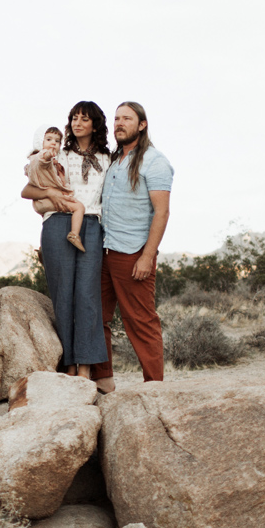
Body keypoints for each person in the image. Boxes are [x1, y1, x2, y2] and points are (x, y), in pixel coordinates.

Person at [21, 102, 112, 380]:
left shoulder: (108, 158)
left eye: (84, 119)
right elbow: (27, 189)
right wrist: (53, 194)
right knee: (63, 296)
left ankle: (85, 368)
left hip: (92, 225)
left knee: (87, 295)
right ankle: (67, 367)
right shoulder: (59, 152)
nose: (77, 123)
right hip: (58, 222)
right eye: (74, 118)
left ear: (95, 124)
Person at [91, 102, 173, 387]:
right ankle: (104, 382)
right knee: (96, 317)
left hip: (133, 252)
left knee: (140, 320)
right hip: (104, 251)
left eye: (127, 118)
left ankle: (154, 385)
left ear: (142, 125)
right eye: (116, 118)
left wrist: (147, 257)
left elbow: (162, 212)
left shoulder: (155, 161)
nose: (119, 123)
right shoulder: (113, 161)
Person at [24, 125, 87, 252]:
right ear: (40, 141)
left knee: (47, 221)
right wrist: (47, 155)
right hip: (47, 200)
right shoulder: (41, 157)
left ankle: (43, 248)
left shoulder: (42, 161)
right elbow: (43, 160)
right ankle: (74, 234)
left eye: (57, 141)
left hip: (42, 202)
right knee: (79, 207)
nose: (53, 143)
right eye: (49, 139)